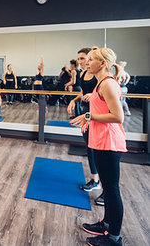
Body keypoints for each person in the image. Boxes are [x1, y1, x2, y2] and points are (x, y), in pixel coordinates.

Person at [71, 47, 127, 246]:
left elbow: (117, 116)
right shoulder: (100, 83)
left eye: (91, 59)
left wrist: (89, 116)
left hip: (110, 142)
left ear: (102, 63)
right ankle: (107, 224)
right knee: (108, 186)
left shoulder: (108, 84)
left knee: (111, 189)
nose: (87, 62)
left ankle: (114, 238)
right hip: (102, 140)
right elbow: (102, 106)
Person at [68, 47, 103, 206]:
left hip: (98, 115)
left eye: (83, 58)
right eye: (79, 59)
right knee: (90, 146)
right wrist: (74, 100)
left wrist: (94, 96)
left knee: (100, 151)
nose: (81, 62)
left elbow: (105, 94)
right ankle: (95, 179)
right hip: (85, 114)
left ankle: (105, 189)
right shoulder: (82, 74)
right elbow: (82, 93)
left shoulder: (98, 75)